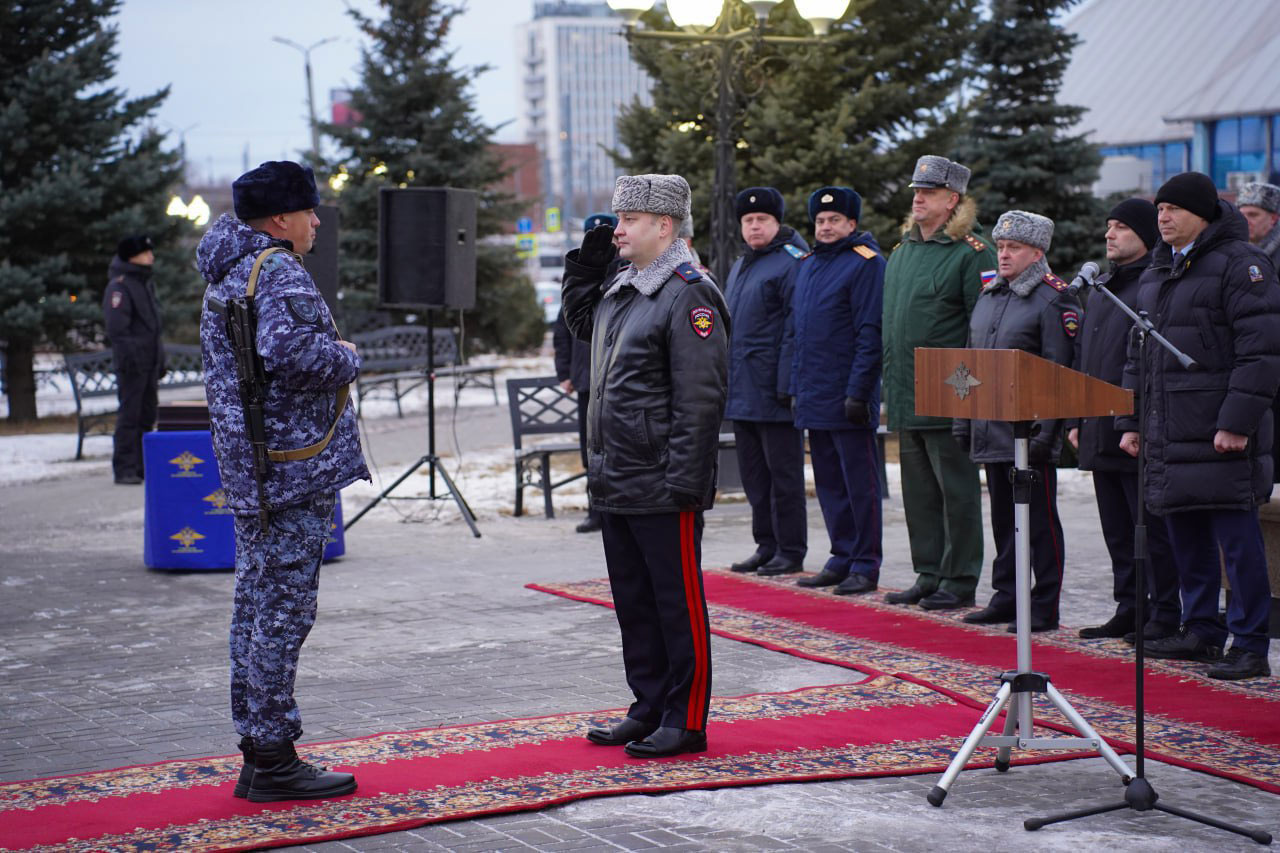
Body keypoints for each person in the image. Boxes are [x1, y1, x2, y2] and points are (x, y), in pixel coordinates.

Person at [197, 160, 369, 800]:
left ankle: (258, 748)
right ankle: (273, 757)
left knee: (255, 606)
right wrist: (347, 356)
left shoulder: (230, 270)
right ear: (279, 220)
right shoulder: (277, 270)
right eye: (308, 210)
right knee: (282, 613)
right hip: (292, 471)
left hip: (255, 470)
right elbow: (292, 353)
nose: (316, 220)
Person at [561, 174, 729, 757]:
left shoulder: (688, 292)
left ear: (665, 226)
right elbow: (586, 331)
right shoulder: (624, 287)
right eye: (617, 217)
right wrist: (582, 273)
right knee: (635, 601)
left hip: (663, 480)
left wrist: (685, 480)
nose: (618, 230)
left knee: (675, 605)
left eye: (630, 220)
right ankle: (649, 705)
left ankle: (686, 720)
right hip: (617, 477)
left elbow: (700, 397)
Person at [1117, 171, 1280, 680]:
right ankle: (1202, 631)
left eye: (1174, 209)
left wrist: (1236, 422)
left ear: (1203, 215)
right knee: (1186, 534)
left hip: (1219, 430)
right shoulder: (1158, 269)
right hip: (1168, 427)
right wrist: (1130, 418)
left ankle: (1250, 643)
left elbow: (1262, 352)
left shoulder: (1242, 265)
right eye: (1159, 209)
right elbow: (1135, 352)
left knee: (1236, 538)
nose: (1162, 217)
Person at [955, 210, 1079, 633]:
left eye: (1014, 248)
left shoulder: (1052, 297)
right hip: (991, 427)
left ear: (1037, 253)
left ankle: (1045, 603)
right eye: (1002, 246)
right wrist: (963, 419)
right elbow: (971, 361)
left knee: (1040, 523)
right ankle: (1007, 595)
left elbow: (1059, 371)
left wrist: (1050, 432)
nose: (1004, 255)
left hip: (1031, 433)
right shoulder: (991, 294)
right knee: (1004, 520)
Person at [880, 155, 992, 609]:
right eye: (915, 192)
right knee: (920, 492)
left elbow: (980, 327)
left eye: (928, 192)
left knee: (956, 491)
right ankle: (929, 571)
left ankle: (960, 577)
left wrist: (964, 389)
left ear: (953, 200)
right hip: (906, 389)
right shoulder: (902, 253)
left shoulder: (970, 254)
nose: (917, 198)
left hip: (950, 390)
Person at [1069, 199, 1180, 643]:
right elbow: (1086, 360)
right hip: (1098, 426)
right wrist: (1076, 417)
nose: (1109, 235)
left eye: (1120, 228)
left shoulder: (1152, 286)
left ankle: (1163, 611)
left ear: (1145, 235)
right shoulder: (1103, 288)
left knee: (1149, 532)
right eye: (1108, 227)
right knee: (1116, 530)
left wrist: (1131, 420)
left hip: (1135, 429)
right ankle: (1130, 606)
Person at [789, 186, 885, 595]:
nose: (826, 227)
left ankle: (865, 563)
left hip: (849, 396)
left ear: (852, 224)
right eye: (820, 221)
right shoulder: (809, 264)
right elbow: (800, 333)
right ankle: (841, 555)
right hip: (815, 393)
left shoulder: (866, 264)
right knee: (829, 482)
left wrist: (859, 392)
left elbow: (870, 333)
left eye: (834, 221)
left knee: (859, 485)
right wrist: (796, 388)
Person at [722, 187, 810, 578]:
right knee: (755, 478)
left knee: (784, 478)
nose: (754, 226)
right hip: (742, 390)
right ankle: (766, 544)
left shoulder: (790, 262)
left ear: (777, 223)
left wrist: (787, 384)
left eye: (762, 220)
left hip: (775, 391)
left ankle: (790, 549)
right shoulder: (743, 265)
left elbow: (795, 327)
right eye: (748, 221)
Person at [552, 212, 620, 534]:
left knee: (614, 448)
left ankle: (613, 508)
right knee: (589, 449)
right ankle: (595, 509)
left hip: (613, 379)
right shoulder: (580, 276)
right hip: (585, 379)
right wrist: (564, 372)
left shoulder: (621, 273)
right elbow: (562, 329)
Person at [103, 234, 163, 485]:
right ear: (132, 256)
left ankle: (141, 465)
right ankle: (124, 466)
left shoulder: (144, 282)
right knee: (130, 415)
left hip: (149, 362)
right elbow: (118, 329)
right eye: (146, 252)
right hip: (132, 364)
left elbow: (152, 325)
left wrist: (158, 358)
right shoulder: (120, 286)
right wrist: (133, 360)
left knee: (147, 414)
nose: (151, 256)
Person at [1237, 181, 1280, 268]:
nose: (1245, 221)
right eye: (1241, 215)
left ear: (1273, 219)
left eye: (1253, 215)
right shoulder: (1233, 250)